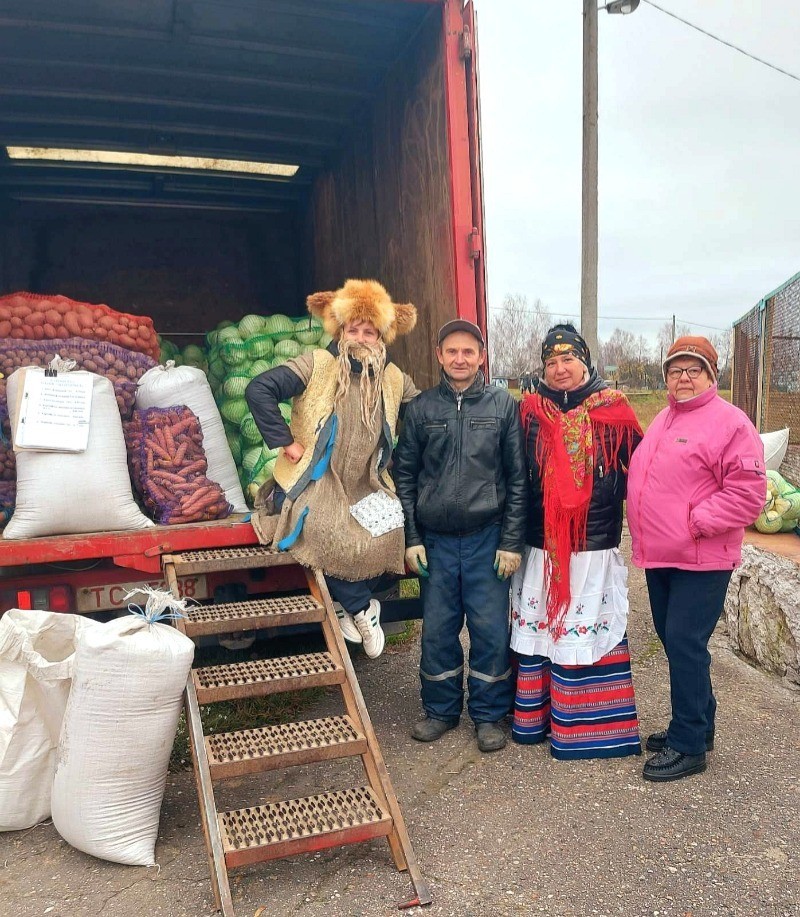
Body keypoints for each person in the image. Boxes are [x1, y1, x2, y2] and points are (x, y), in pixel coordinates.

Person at [245, 279, 419, 658]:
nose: (360, 337)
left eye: (368, 331)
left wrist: (408, 457)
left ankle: (349, 605)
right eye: (352, 329)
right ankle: (360, 608)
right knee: (324, 529)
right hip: (316, 478)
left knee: (391, 528)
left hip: (367, 481)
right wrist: (285, 442)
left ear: (381, 336)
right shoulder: (317, 364)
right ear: (340, 331)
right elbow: (259, 389)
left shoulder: (392, 377)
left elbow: (423, 415)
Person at [627, 336, 765, 782]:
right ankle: (697, 723)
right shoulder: (665, 418)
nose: (683, 378)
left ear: (711, 376)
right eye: (675, 370)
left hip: (701, 557)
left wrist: (695, 521)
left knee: (685, 642)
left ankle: (689, 746)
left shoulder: (732, 424)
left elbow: (748, 494)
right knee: (674, 641)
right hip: (662, 554)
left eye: (694, 370)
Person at [510, 324, 643, 760]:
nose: (560, 368)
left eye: (568, 359)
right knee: (544, 628)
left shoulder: (615, 411)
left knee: (579, 627)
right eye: (551, 362)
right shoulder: (529, 413)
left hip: (592, 544)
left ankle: (586, 729)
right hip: (540, 545)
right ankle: (536, 720)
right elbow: (513, 476)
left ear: (586, 363)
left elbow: (642, 474)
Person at [394, 319, 527, 753]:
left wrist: (510, 542)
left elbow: (518, 479)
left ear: (481, 357)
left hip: (487, 539)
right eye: (452, 351)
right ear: (439, 355)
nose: (460, 358)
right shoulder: (421, 410)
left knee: (490, 631)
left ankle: (489, 716)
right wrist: (412, 537)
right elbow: (405, 477)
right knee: (438, 630)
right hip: (435, 543)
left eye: (468, 351)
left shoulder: (503, 406)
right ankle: (440, 711)